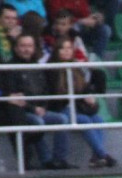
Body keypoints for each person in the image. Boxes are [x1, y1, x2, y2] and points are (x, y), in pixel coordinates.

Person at [0, 32, 72, 170]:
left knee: (62, 119)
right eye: (23, 46)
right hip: (23, 112)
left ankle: (59, 160)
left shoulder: (38, 67)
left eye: (30, 46)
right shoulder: (10, 67)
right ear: (15, 48)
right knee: (38, 122)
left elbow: (45, 89)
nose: (27, 49)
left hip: (40, 109)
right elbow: (16, 96)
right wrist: (34, 109)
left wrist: (43, 107)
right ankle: (46, 160)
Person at [46, 37, 117, 168]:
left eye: (69, 48)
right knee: (84, 120)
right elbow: (56, 96)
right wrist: (79, 98)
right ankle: (103, 155)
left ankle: (96, 157)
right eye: (63, 48)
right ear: (57, 51)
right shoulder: (51, 69)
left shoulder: (77, 68)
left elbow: (84, 89)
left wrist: (90, 101)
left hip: (77, 107)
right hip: (61, 108)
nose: (67, 51)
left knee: (98, 120)